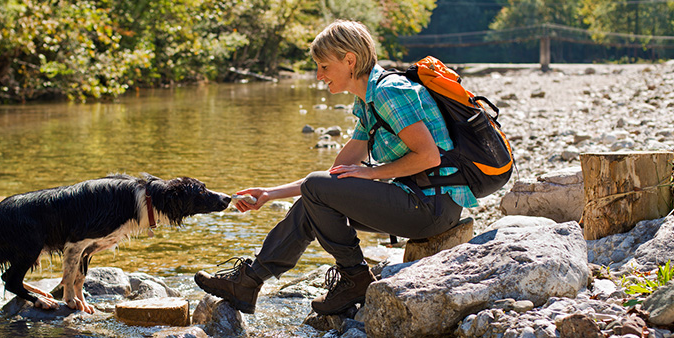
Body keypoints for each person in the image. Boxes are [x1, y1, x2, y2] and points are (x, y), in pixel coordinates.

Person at [194, 19, 479, 316]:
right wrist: (269, 193)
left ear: (350, 60)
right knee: (313, 199)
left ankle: (355, 277)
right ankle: (250, 282)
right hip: (417, 203)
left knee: (318, 192)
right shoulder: (368, 101)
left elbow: (429, 157)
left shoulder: (389, 92)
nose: (319, 76)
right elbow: (333, 177)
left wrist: (371, 172)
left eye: (324, 67)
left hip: (433, 209)